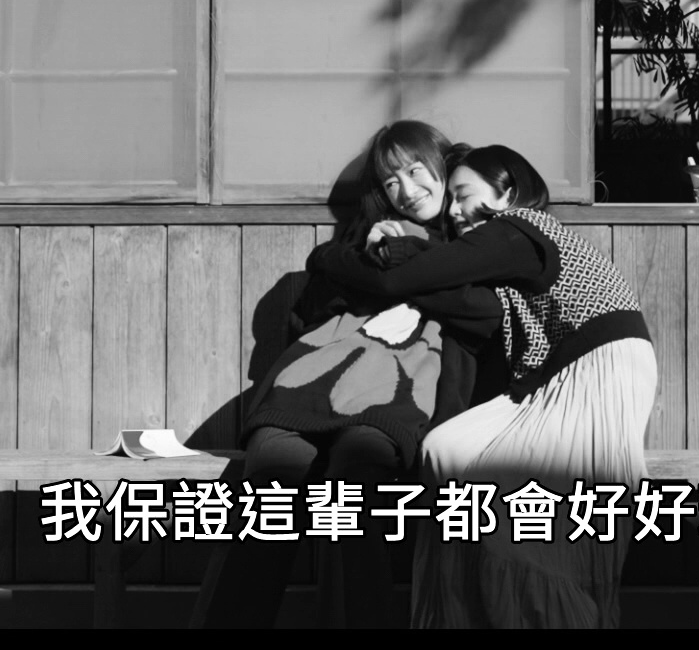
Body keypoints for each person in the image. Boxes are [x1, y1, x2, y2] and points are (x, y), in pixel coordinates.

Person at [309, 144, 658, 628]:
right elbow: (449, 285)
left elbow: (404, 279)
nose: (453, 210)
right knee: (446, 448)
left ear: (507, 191)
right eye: (451, 198)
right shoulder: (505, 257)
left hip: (597, 368)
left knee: (511, 517)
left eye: (463, 194)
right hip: (549, 380)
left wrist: (329, 257)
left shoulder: (519, 229)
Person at [191, 120, 504, 628]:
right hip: (307, 389)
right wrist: (364, 256)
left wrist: (404, 264)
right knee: (270, 484)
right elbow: (311, 304)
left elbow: (484, 314)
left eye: (415, 170)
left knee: (354, 483)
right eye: (390, 181)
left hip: (395, 398)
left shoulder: (474, 242)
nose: (405, 190)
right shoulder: (364, 242)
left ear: (443, 165)